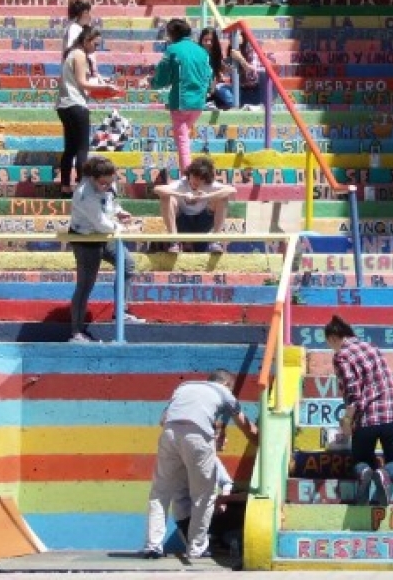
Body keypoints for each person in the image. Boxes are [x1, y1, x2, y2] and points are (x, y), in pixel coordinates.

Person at [142, 369, 258, 560]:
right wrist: (261, 440)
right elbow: (246, 426)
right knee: (204, 495)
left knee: (160, 492)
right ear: (227, 384)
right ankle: (196, 548)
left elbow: (163, 420)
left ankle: (152, 546)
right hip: (198, 435)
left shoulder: (184, 387)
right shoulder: (224, 393)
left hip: (169, 433)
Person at [327, 314, 393, 506]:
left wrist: (347, 420)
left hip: (367, 419)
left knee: (361, 460)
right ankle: (385, 474)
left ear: (334, 338)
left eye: (329, 343)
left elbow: (353, 391)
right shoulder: (372, 348)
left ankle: (364, 474)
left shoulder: (341, 356)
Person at [66, 155, 143, 343]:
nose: (108, 186)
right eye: (103, 183)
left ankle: (120, 311)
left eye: (111, 182)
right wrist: (126, 228)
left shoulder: (107, 182)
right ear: (92, 178)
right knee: (85, 285)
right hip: (86, 238)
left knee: (127, 265)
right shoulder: (84, 194)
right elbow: (102, 224)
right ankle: (76, 332)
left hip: (105, 237)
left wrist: (118, 211)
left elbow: (110, 201)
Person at [146, 18, 213, 173]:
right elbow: (209, 74)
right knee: (184, 136)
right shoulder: (202, 51)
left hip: (181, 102)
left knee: (182, 140)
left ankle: (188, 177)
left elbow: (162, 76)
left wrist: (153, 83)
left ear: (172, 34)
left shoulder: (173, 50)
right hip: (198, 102)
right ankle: (191, 174)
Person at [154, 156, 236, 254]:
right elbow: (157, 189)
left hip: (203, 222)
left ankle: (215, 241)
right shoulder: (181, 183)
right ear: (189, 175)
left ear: (205, 179)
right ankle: (174, 241)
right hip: (183, 222)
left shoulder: (210, 185)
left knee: (223, 198)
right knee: (166, 197)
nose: (196, 181)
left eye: (200, 179)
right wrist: (182, 195)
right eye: (194, 177)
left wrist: (206, 197)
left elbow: (231, 190)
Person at [56, 25, 103, 195]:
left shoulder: (70, 54)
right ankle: (84, 188)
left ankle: (65, 186)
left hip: (64, 105)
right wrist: (106, 87)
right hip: (76, 105)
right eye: (95, 44)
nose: (96, 48)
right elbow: (82, 83)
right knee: (82, 148)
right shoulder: (80, 55)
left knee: (70, 148)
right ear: (86, 41)